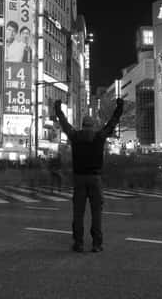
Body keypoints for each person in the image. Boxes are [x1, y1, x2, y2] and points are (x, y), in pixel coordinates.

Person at [54, 98, 124, 253]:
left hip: (79, 178)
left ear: (83, 125)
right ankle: (96, 244)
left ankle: (78, 243)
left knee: (78, 214)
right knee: (96, 213)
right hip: (95, 178)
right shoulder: (99, 137)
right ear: (93, 126)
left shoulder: (75, 136)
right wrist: (119, 107)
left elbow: (65, 124)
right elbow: (112, 123)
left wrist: (58, 110)